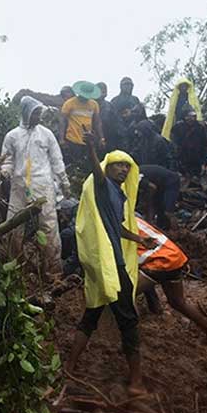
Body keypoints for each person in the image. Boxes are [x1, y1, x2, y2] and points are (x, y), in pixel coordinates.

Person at [66, 132, 156, 395]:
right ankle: (136, 381)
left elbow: (117, 227)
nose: (124, 169)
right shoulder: (104, 186)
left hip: (109, 263)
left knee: (92, 314)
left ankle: (70, 366)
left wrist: (139, 238)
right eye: (119, 165)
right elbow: (96, 169)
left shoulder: (118, 195)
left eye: (127, 166)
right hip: (112, 265)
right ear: (109, 167)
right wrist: (92, 147)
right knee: (128, 320)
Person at [0, 96, 70, 279]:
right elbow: (7, 159)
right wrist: (5, 171)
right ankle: (14, 268)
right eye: (35, 113)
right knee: (14, 225)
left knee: (48, 227)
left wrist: (63, 180)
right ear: (26, 113)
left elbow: (56, 159)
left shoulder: (46, 134)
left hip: (43, 185)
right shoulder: (12, 136)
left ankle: (53, 272)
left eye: (39, 112)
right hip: (19, 186)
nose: (38, 116)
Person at [134, 216, 207, 344]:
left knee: (124, 295)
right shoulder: (132, 218)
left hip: (159, 262)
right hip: (173, 257)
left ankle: (131, 338)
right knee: (178, 302)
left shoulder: (116, 222)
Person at [61, 81, 103, 162]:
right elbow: (62, 121)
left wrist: (101, 138)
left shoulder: (94, 104)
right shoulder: (69, 103)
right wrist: (61, 139)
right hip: (72, 140)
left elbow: (97, 122)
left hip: (88, 141)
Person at [170, 106, 207, 184]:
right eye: (188, 116)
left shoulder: (200, 127)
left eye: (192, 116)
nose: (191, 118)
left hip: (197, 161)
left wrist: (203, 162)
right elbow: (174, 144)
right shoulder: (178, 127)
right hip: (182, 161)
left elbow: (205, 145)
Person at [138, 164, 180, 229]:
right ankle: (162, 228)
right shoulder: (137, 173)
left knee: (168, 212)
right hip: (160, 185)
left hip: (171, 182)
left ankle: (177, 232)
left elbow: (152, 187)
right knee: (159, 209)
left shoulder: (135, 176)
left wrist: (149, 200)